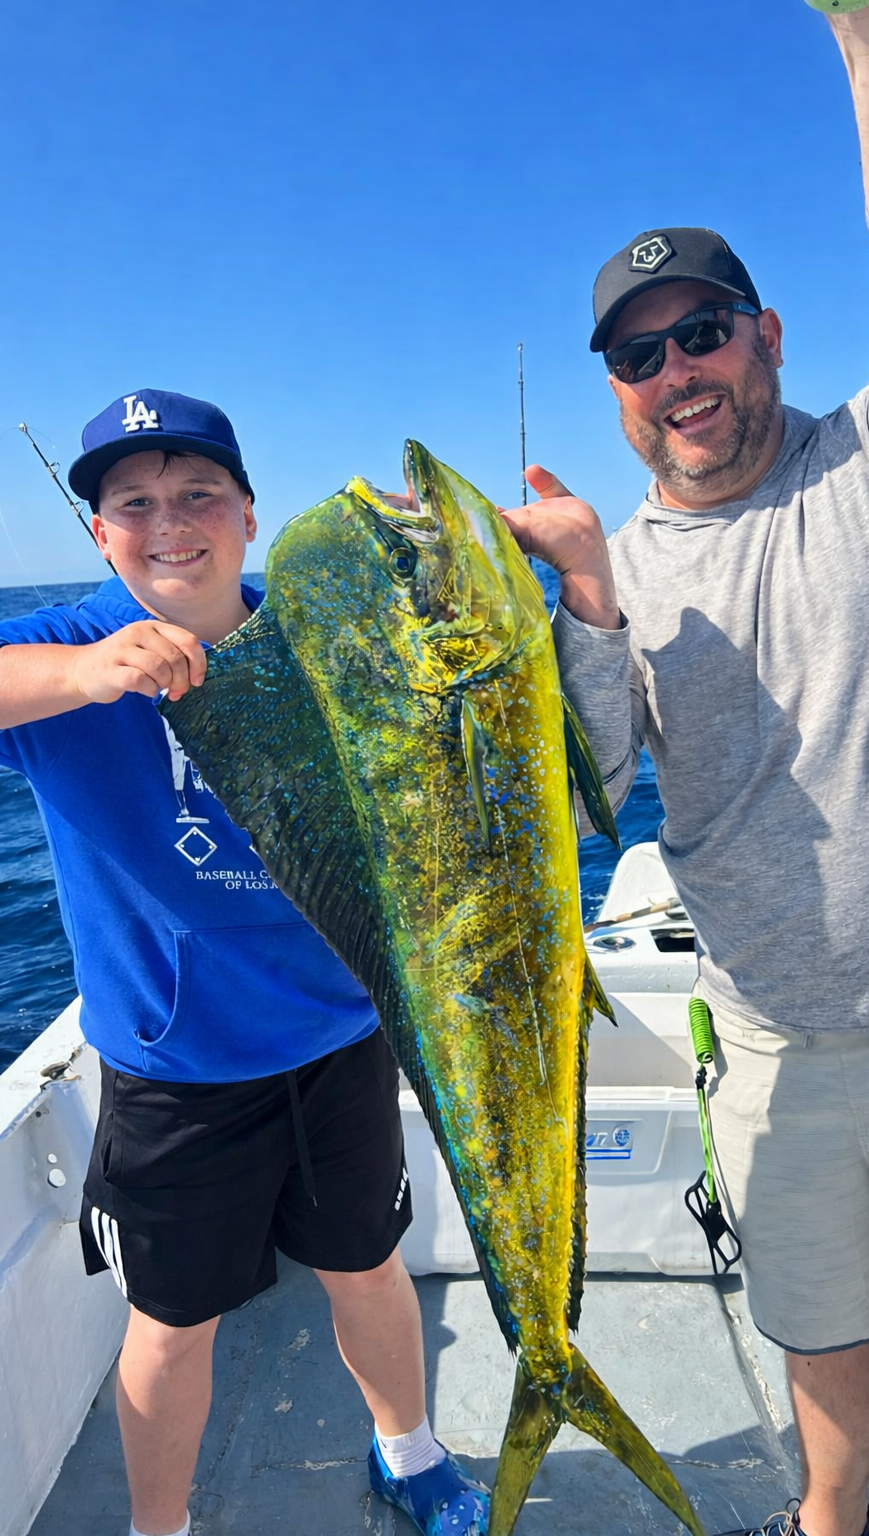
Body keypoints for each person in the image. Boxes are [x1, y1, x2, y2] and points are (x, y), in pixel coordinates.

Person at [502, 2, 869, 1534]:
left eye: (702, 331)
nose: (676, 371)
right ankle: (825, 1520)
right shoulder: (624, 571)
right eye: (638, 355)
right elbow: (588, 799)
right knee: (828, 1351)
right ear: (617, 391)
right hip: (771, 1051)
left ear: (766, 335)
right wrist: (587, 602)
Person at [0, 389, 490, 1536]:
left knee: (370, 1266)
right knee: (174, 1322)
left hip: (342, 1031)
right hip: (175, 1070)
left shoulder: (322, 636)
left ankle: (408, 1453)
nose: (170, 522)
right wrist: (86, 677)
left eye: (198, 494)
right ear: (99, 533)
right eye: (135, 503)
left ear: (249, 516)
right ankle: (158, 1527)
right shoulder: (62, 647)